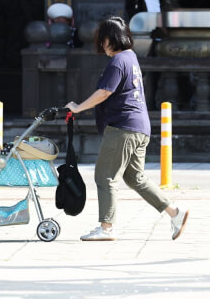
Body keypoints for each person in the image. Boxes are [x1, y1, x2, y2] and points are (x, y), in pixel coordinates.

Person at [65, 16, 189, 241]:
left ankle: (106, 227)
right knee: (135, 178)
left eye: (102, 39)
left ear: (108, 39)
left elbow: (104, 92)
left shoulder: (117, 61)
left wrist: (78, 108)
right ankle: (175, 213)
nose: (101, 45)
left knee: (106, 176)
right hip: (140, 127)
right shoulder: (131, 58)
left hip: (123, 128)